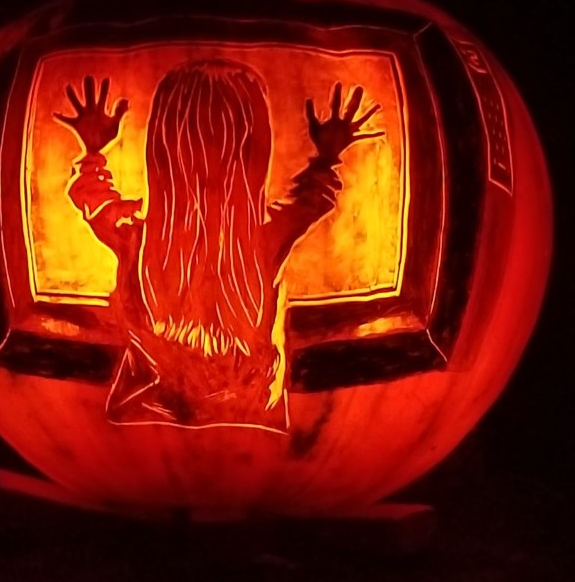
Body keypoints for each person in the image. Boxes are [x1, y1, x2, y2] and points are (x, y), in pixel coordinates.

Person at [56, 60, 380, 431]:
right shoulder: (266, 238)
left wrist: (93, 150)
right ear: (255, 152)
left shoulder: (134, 236)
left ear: (161, 146)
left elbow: (92, 200)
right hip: (253, 424)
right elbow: (313, 201)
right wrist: (328, 156)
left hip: (142, 418)